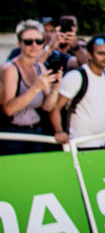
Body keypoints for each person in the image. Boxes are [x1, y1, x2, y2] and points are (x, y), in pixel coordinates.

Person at [50, 34, 105, 150]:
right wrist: (59, 131)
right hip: (79, 145)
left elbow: (96, 109)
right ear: (89, 55)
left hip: (102, 143)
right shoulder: (76, 76)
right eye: (101, 53)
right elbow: (55, 108)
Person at [0, 20, 62, 155]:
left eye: (39, 41)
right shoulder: (9, 69)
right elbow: (8, 110)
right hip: (12, 135)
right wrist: (36, 88)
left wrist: (55, 89)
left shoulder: (40, 67)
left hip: (35, 132)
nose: (34, 45)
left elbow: (47, 107)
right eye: (28, 42)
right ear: (19, 44)